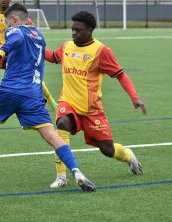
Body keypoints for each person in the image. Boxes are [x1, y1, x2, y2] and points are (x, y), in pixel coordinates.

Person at [0, 3, 96, 193]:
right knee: (52, 135)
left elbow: (14, 39)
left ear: (15, 19)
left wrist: (1, 52)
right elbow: (25, 57)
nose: (8, 27)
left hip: (11, 90)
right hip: (33, 95)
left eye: (8, 23)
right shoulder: (39, 37)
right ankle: (77, 172)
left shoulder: (15, 31)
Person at [45, 11, 147, 189]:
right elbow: (53, 56)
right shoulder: (67, 46)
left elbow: (120, 75)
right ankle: (61, 176)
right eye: (72, 30)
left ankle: (128, 155)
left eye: (78, 30)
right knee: (62, 123)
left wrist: (135, 98)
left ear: (90, 30)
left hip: (92, 110)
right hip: (68, 103)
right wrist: (33, 46)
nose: (74, 33)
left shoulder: (101, 51)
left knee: (107, 150)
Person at [0, 0, 57, 111]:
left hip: (19, 50)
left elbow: (30, 30)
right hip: (3, 50)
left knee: (31, 75)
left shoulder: (18, 14)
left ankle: (52, 102)